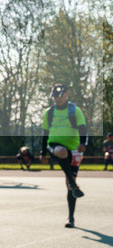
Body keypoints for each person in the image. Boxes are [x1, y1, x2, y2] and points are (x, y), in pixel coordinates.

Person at [41, 83, 87, 228]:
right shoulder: (49, 112)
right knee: (61, 152)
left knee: (69, 183)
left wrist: (83, 144)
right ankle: (73, 184)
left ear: (66, 95)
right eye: (55, 97)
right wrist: (43, 153)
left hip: (74, 149)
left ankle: (71, 218)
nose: (58, 99)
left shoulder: (75, 111)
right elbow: (45, 134)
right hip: (54, 146)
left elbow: (83, 128)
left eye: (60, 96)